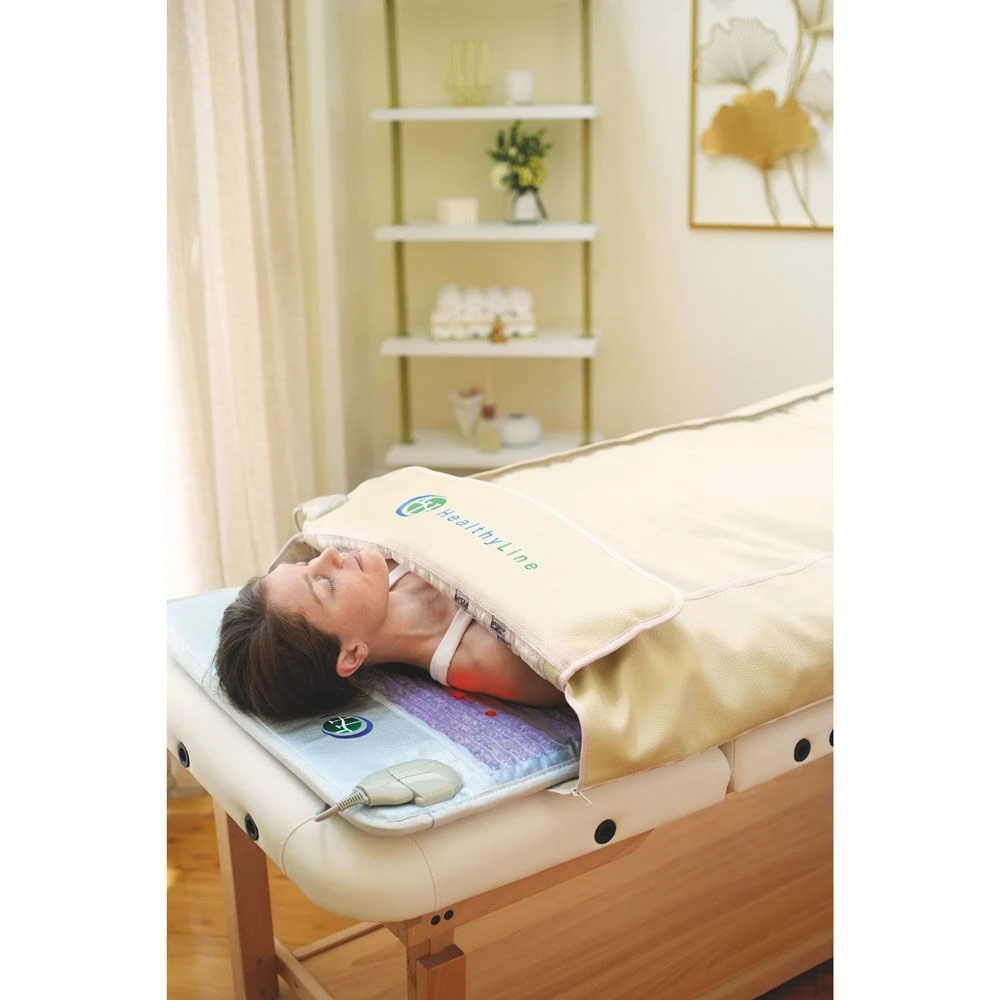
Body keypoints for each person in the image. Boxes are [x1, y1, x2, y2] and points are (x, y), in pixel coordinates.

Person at [215, 544, 566, 721]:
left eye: (307, 563)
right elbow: (583, 667)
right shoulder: (486, 659)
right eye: (325, 583)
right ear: (351, 656)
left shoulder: (389, 558)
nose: (329, 554)